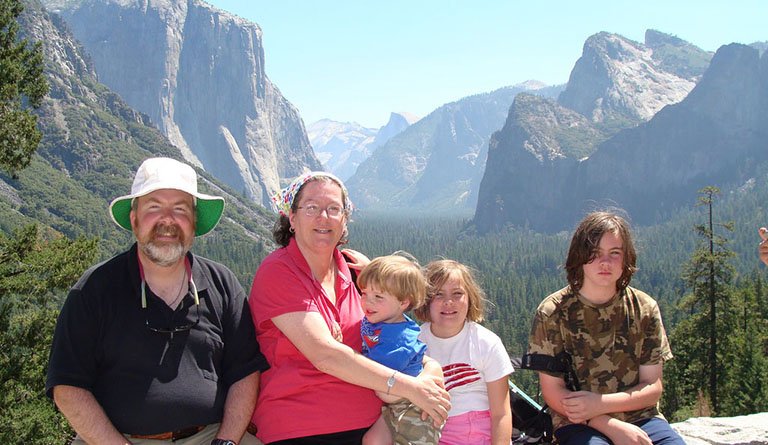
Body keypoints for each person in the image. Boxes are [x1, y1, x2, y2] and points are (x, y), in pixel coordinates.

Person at [46, 157, 269, 445]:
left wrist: (226, 441)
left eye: (180, 209)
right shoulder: (95, 289)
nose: (168, 220)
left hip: (212, 436)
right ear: (134, 219)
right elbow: (67, 386)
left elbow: (245, 372)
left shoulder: (221, 283)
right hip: (114, 440)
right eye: (154, 207)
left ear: (194, 222)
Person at [249, 171, 451, 445]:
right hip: (304, 427)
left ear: (344, 220)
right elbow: (325, 355)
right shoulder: (279, 272)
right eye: (311, 207)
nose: (324, 217)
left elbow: (393, 336)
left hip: (373, 425)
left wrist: (430, 370)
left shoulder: (357, 273)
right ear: (292, 219)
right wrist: (412, 389)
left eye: (334, 208)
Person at [527, 211, 685, 445]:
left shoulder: (644, 308)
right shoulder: (552, 312)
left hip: (641, 418)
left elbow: (653, 387)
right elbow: (553, 392)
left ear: (626, 259)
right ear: (579, 257)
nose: (605, 262)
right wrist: (603, 421)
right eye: (595, 253)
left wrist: (600, 405)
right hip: (577, 422)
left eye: (615, 253)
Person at [415, 259, 514, 445]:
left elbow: (500, 413)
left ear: (470, 298)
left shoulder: (486, 343)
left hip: (481, 434)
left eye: (457, 294)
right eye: (438, 295)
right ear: (425, 300)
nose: (448, 302)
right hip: (431, 433)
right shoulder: (416, 342)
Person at [358, 254, 442, 445]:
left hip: (414, 406)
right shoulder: (380, 316)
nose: (367, 302)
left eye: (377, 296)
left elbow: (382, 385)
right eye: (364, 293)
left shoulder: (399, 340)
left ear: (403, 302)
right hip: (394, 404)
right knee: (372, 441)